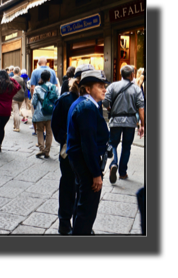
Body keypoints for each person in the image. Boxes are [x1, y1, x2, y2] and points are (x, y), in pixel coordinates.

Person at [66, 70, 110, 234]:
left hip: (80, 160)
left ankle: (80, 230)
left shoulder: (86, 104)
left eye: (104, 86)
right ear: (87, 89)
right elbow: (88, 143)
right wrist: (96, 173)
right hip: (85, 162)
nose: (104, 89)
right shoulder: (87, 107)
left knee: (82, 200)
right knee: (88, 206)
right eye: (100, 86)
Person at [103, 65, 144, 184]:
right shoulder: (136, 89)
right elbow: (141, 108)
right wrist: (142, 125)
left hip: (115, 120)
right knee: (126, 147)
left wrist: (110, 108)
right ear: (131, 75)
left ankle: (113, 163)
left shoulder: (112, 86)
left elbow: (105, 101)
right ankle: (122, 173)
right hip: (130, 122)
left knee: (113, 144)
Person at [51, 72, 80, 235]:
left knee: (75, 186)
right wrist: (65, 138)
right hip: (70, 150)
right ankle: (66, 222)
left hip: (76, 150)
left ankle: (73, 222)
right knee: (71, 185)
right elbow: (56, 125)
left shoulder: (93, 101)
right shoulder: (65, 100)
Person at [31, 70, 57, 158]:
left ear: (41, 78)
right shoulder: (54, 88)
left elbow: (34, 102)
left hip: (40, 113)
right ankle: (47, 151)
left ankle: (41, 149)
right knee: (49, 132)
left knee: (39, 131)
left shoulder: (37, 88)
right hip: (51, 114)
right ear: (49, 78)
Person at [30, 56, 58, 135]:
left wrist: (33, 97)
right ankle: (47, 131)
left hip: (39, 98)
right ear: (46, 63)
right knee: (49, 115)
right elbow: (56, 85)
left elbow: (32, 87)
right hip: (50, 99)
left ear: (38, 63)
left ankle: (38, 131)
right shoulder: (52, 71)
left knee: (37, 115)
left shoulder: (35, 72)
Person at [11, 67, 25, 132]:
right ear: (19, 72)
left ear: (13, 72)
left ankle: (17, 127)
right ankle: (14, 125)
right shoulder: (21, 79)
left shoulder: (11, 79)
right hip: (21, 97)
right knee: (16, 111)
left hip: (14, 96)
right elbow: (24, 87)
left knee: (16, 112)